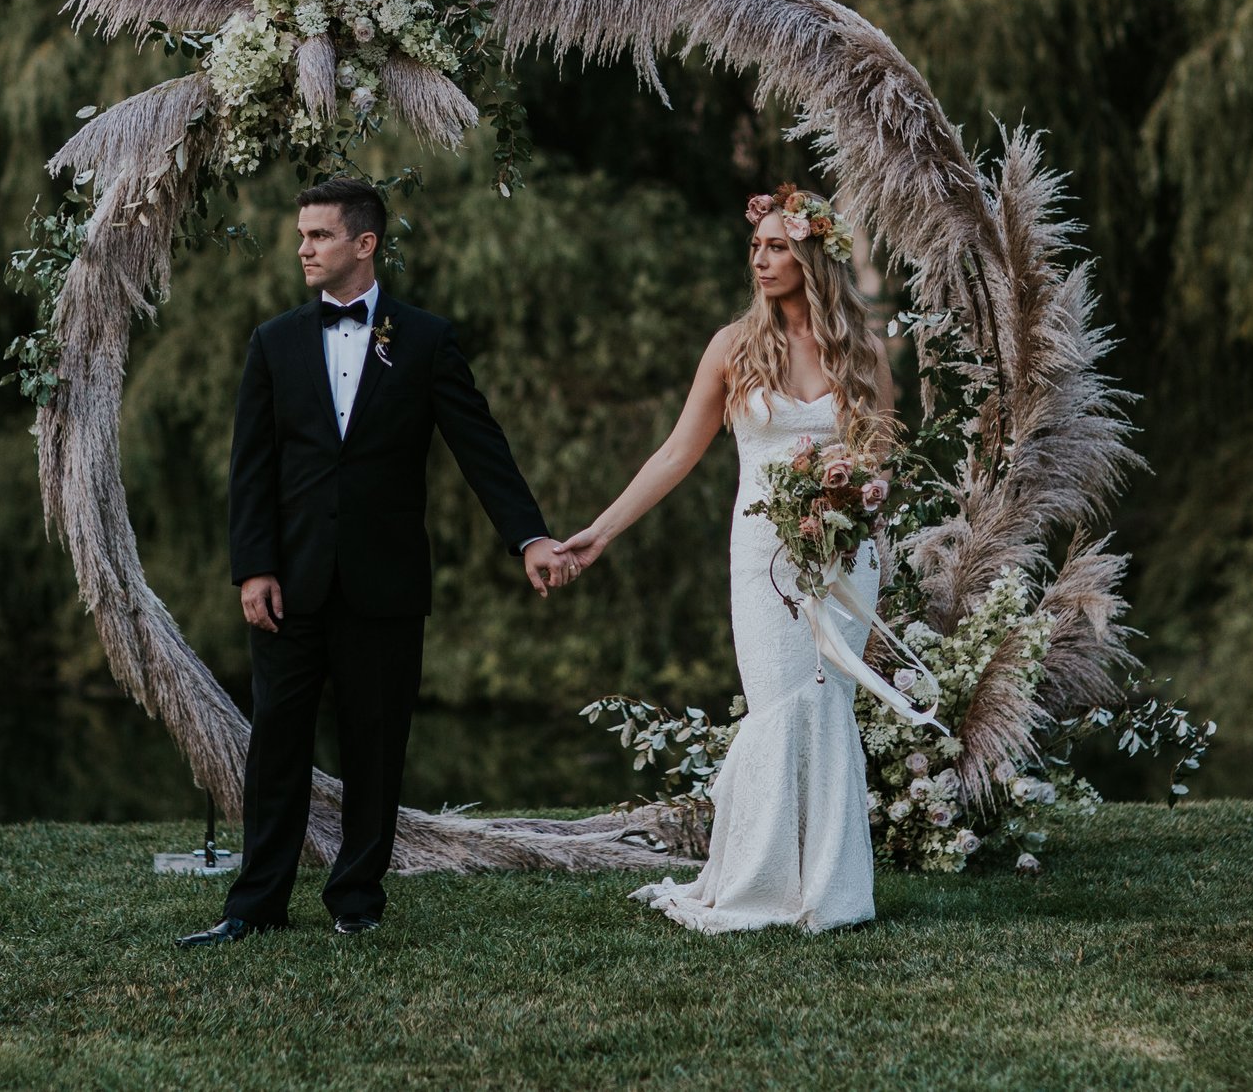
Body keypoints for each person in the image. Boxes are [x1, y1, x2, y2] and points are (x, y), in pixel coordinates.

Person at [176, 177, 577, 946]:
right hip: (289, 581)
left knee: (375, 745)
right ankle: (253, 904)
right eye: (301, 235)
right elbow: (250, 467)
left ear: (364, 243)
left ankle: (355, 900)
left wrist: (529, 536)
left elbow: (480, 445)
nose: (302, 247)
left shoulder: (425, 339)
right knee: (277, 748)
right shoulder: (274, 341)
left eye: (318, 235)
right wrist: (252, 566)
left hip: (386, 582)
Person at [557, 185, 897, 931]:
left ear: (813, 253)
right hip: (763, 558)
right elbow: (678, 453)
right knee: (780, 702)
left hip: (843, 556)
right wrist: (601, 530)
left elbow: (881, 461)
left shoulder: (862, 350)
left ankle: (832, 890)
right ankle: (759, 882)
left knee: (830, 704)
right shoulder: (734, 347)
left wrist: (849, 507)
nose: (763, 259)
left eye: (778, 245)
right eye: (757, 246)